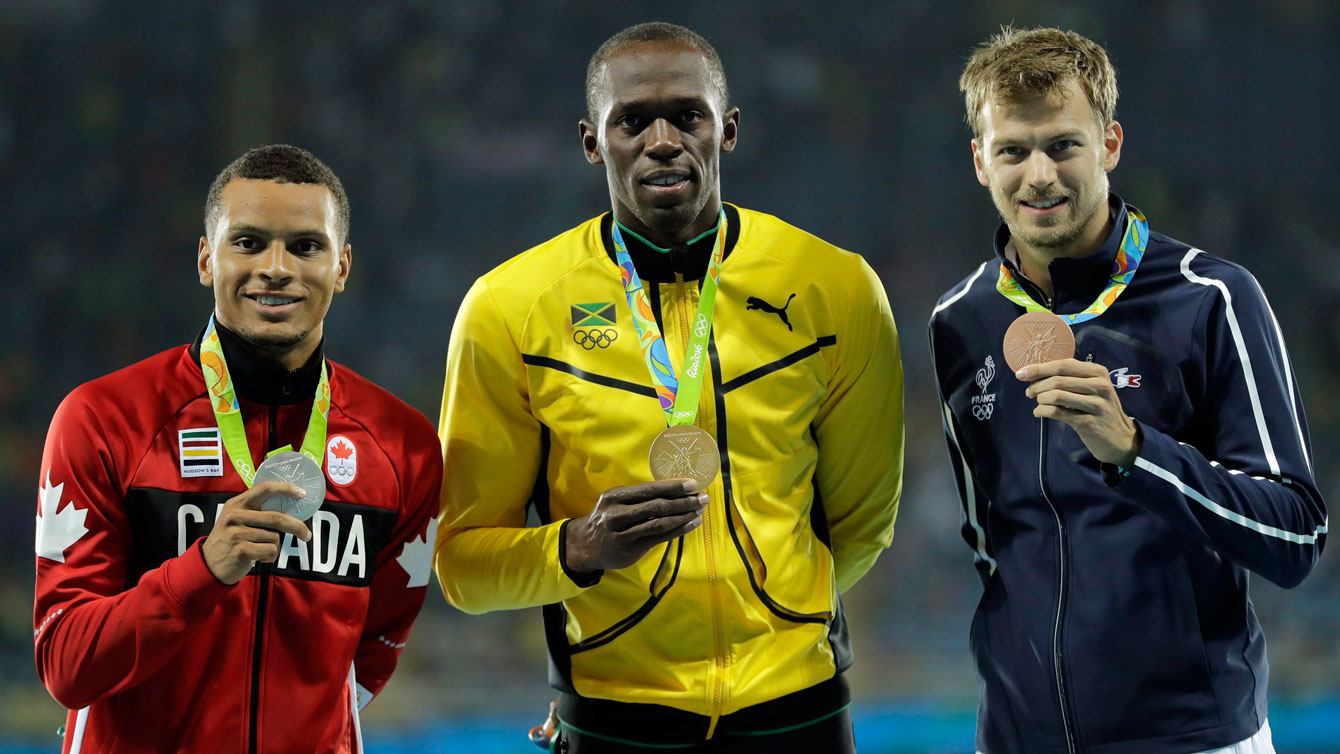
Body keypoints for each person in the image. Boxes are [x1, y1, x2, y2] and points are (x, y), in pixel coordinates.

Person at [436, 22, 903, 753]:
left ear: (729, 129)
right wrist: (580, 549)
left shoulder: (837, 289)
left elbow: (862, 527)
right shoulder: (508, 309)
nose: (661, 140)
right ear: (593, 141)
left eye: (687, 116)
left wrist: (772, 617)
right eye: (631, 121)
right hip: (615, 723)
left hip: (800, 716)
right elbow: (463, 566)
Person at [929, 26, 1326, 754]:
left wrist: (1138, 453)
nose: (1039, 175)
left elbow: (1297, 533)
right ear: (981, 161)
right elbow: (991, 541)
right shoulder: (960, 321)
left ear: (1109, 145)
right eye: (1013, 150)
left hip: (1191, 737)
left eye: (1063, 145)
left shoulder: (1211, 298)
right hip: (1018, 740)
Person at [33, 144, 443, 753]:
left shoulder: (402, 446)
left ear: (343, 266)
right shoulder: (104, 420)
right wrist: (201, 571)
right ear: (206, 258)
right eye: (248, 242)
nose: (276, 267)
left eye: (306, 246)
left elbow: (368, 658)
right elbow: (67, 665)